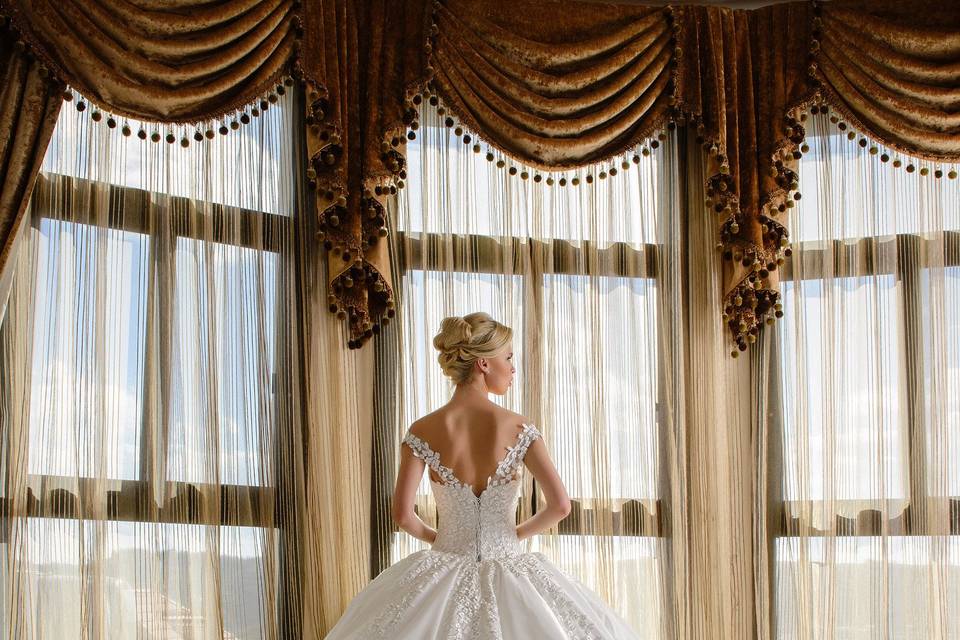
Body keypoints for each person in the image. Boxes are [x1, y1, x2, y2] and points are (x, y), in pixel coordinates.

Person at [324, 312, 640, 639]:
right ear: (483, 364)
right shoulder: (520, 428)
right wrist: (511, 536)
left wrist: (442, 540)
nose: (513, 368)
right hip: (510, 566)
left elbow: (403, 516)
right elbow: (560, 506)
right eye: (508, 357)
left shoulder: (421, 430)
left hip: (443, 564)